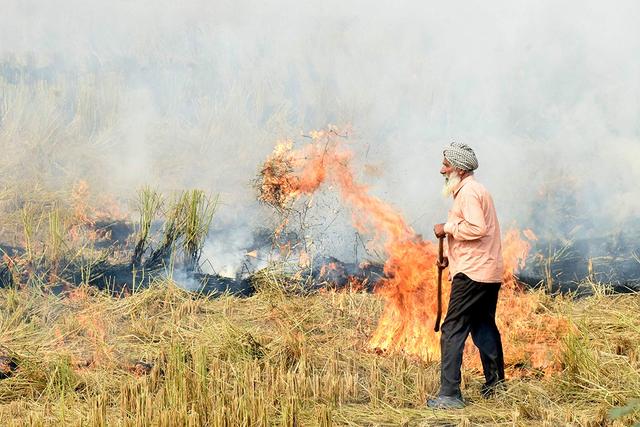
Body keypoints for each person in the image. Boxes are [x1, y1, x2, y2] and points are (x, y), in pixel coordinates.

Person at [427, 142, 505, 409]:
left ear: (459, 168)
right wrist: (450, 256)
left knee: (453, 328)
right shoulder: (472, 190)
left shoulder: (469, 193)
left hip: (473, 273)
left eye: (446, 165)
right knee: (483, 325)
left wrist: (446, 228)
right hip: (486, 271)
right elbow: (475, 234)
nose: (442, 170)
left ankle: (449, 395)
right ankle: (496, 386)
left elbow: (477, 228)